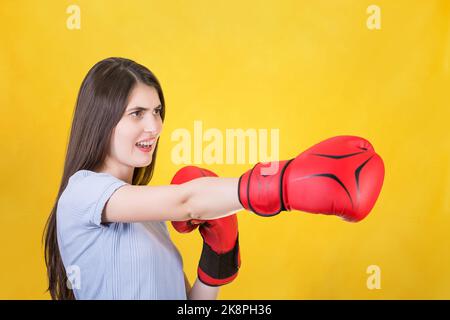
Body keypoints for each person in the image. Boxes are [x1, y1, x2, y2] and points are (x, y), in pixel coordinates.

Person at [43, 57, 384, 300]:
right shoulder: (82, 192)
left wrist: (216, 257)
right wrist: (280, 183)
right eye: (137, 114)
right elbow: (185, 199)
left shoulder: (150, 220)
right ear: (101, 120)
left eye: (158, 112)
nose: (155, 127)